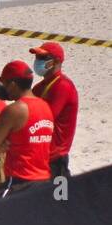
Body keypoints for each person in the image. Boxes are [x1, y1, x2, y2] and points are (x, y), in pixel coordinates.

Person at [0, 60, 54, 197]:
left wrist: (2, 145)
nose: (3, 88)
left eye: (4, 84)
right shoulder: (45, 106)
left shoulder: (15, 110)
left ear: (13, 84)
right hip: (43, 181)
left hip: (19, 182)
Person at [30, 41, 77, 180]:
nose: (37, 61)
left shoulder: (63, 85)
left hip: (56, 158)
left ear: (56, 61)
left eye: (42, 58)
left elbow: (45, 118)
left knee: (60, 199)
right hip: (40, 155)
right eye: (37, 57)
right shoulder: (39, 87)